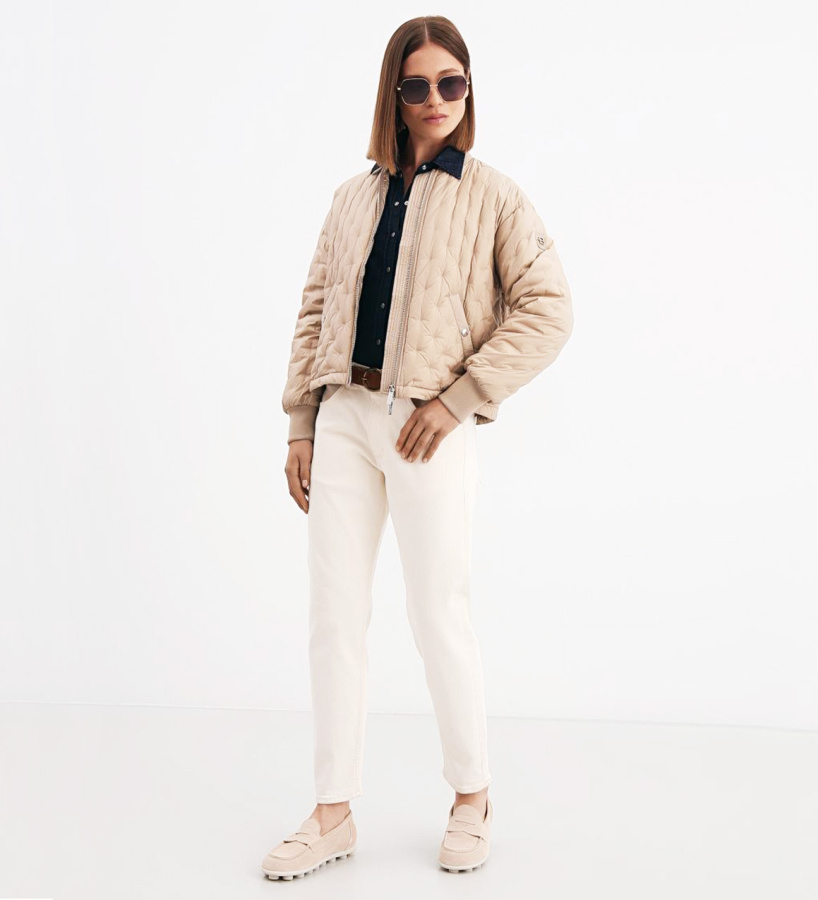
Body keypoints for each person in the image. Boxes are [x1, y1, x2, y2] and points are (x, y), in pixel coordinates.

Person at [261, 15, 573, 880]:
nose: (435, 99)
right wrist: (301, 421)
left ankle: (471, 796)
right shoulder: (350, 197)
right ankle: (332, 812)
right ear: (392, 96)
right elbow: (315, 309)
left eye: (451, 82)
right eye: (416, 85)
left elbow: (549, 309)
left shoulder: (495, 196)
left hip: (424, 428)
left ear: (467, 89)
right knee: (334, 616)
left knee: (438, 612)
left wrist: (459, 398)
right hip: (343, 419)